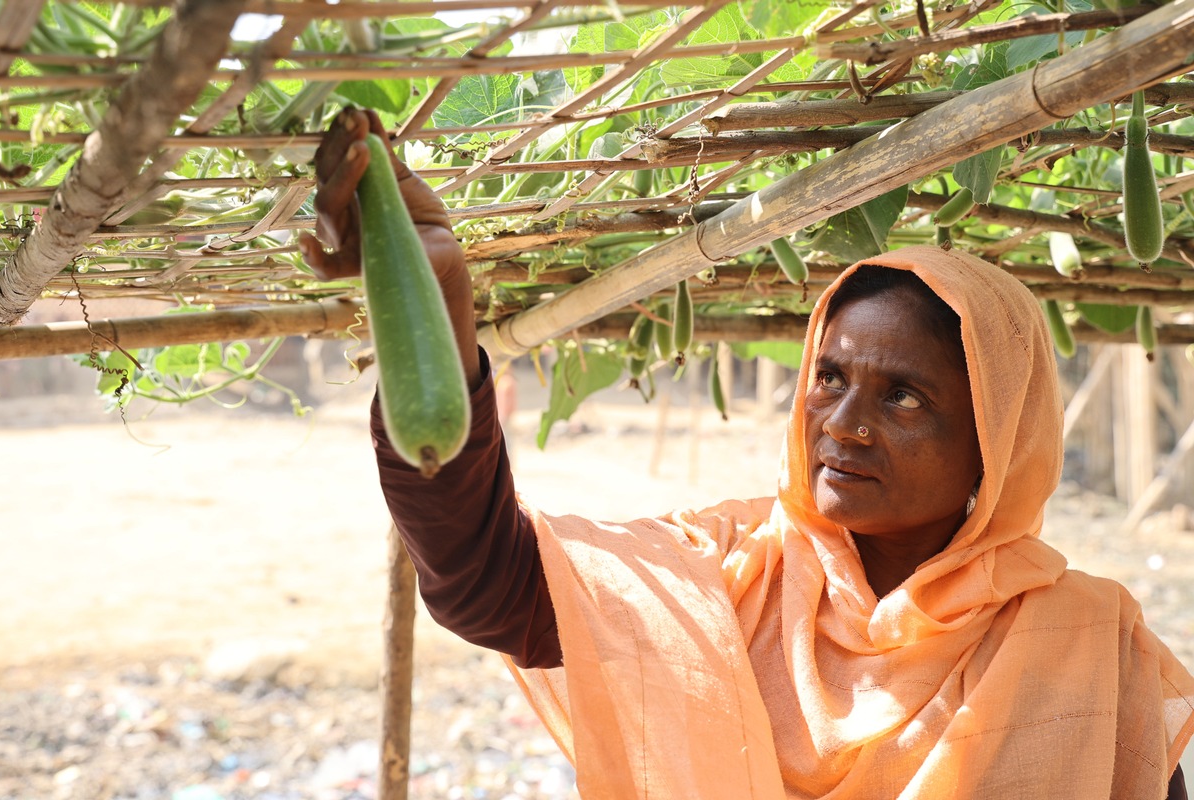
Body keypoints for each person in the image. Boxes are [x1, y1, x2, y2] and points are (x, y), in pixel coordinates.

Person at [302, 108, 1194, 799]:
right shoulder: (723, 577)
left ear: (997, 444)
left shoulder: (1087, 645)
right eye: (829, 378)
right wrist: (436, 298)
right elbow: (488, 581)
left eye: (905, 397)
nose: (842, 423)